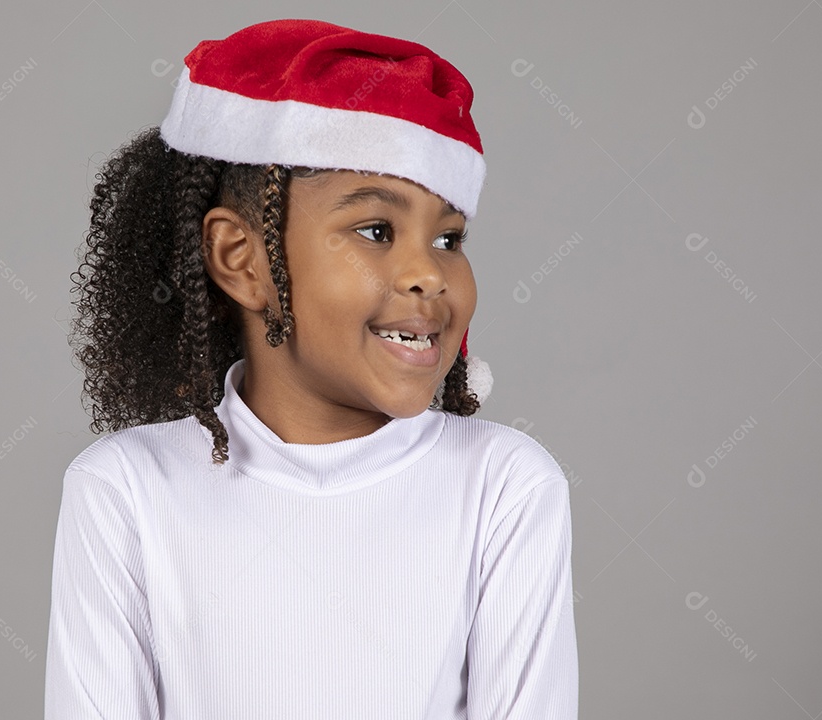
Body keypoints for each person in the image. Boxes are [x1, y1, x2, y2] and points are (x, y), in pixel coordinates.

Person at [44, 17, 578, 719]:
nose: (429, 273)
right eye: (376, 230)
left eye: (449, 237)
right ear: (242, 259)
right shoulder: (125, 491)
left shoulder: (504, 486)